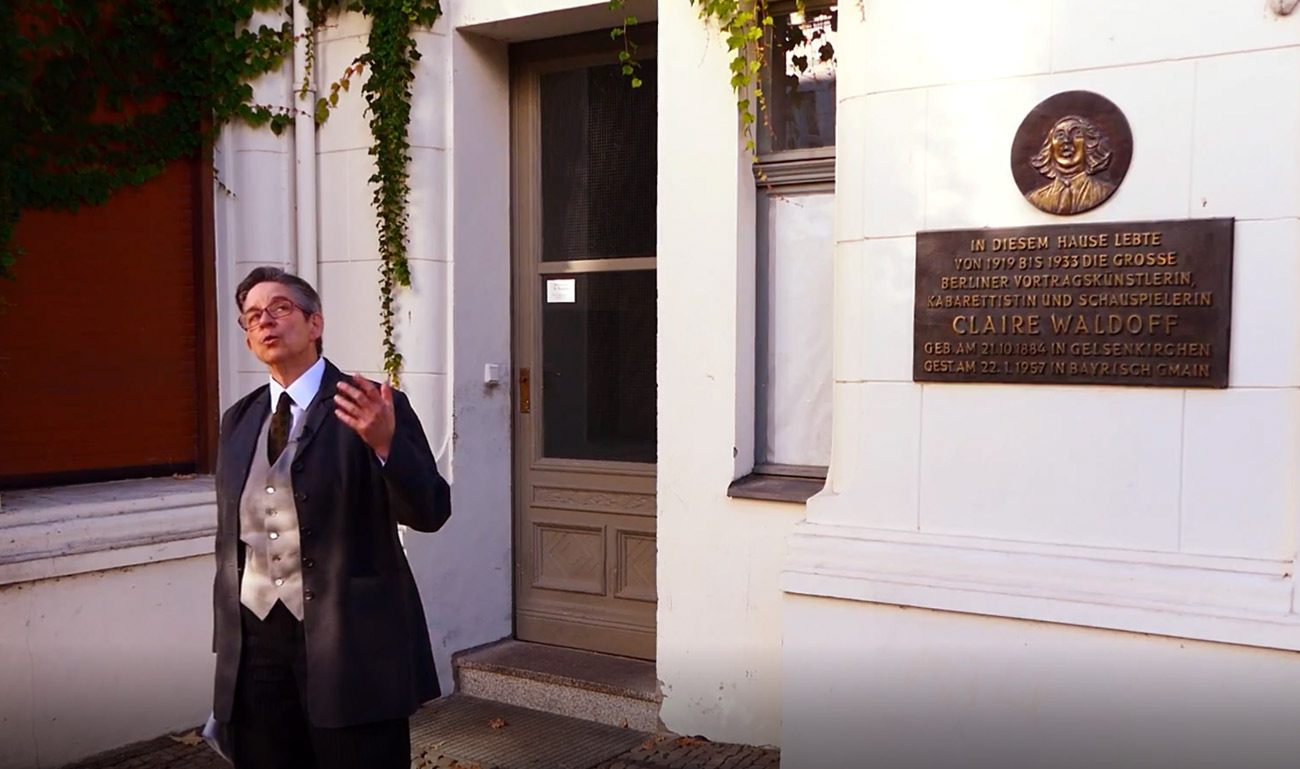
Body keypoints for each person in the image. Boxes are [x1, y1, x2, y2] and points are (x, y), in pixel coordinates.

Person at [208, 266, 451, 769]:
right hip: (255, 644)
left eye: (280, 308)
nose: (265, 322)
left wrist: (386, 445)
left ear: (315, 324)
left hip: (351, 643)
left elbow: (430, 511)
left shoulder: (372, 404)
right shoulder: (239, 419)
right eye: (252, 317)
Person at [1025, 114, 1116, 216]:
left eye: (1076, 134)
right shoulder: (1037, 199)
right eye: (1060, 135)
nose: (1067, 141)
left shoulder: (1104, 192)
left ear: (1090, 145)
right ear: (1050, 147)